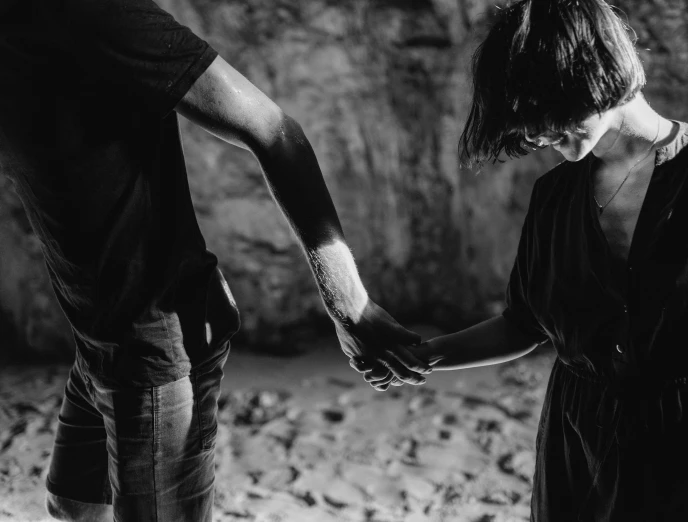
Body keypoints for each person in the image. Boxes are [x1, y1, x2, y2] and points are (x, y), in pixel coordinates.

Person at [0, 0, 432, 520]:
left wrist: (349, 306)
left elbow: (275, 131)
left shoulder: (92, 13)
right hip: (99, 339)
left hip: (155, 343)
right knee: (72, 506)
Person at [356, 1, 688, 520]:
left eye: (540, 107)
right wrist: (420, 356)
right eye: (521, 116)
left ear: (596, 71)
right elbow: (525, 324)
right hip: (572, 442)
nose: (532, 132)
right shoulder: (553, 195)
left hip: (683, 443)